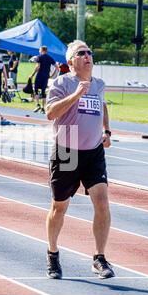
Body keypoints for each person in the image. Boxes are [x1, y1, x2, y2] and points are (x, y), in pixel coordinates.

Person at [44, 40, 114, 280]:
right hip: (67, 148)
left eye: (89, 52)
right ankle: (52, 254)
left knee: (102, 202)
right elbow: (50, 113)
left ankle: (99, 258)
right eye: (81, 53)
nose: (87, 56)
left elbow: (102, 107)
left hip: (93, 150)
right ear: (70, 61)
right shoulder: (61, 83)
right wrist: (76, 95)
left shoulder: (99, 84)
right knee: (59, 207)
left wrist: (106, 131)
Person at [30, 46, 59, 114]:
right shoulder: (50, 58)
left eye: (39, 50)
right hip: (46, 76)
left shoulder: (39, 57)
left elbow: (38, 66)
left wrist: (32, 75)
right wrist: (52, 74)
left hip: (39, 75)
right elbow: (57, 67)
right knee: (43, 92)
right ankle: (43, 108)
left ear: (42, 50)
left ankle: (37, 105)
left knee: (36, 89)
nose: (39, 51)